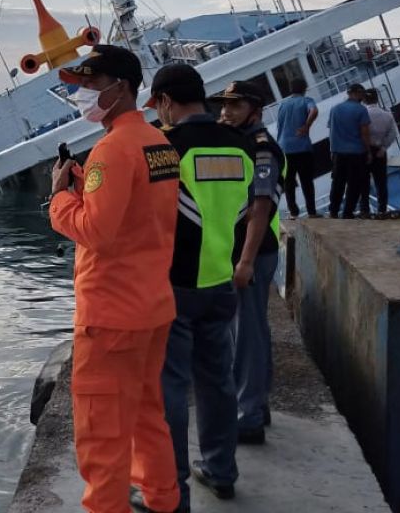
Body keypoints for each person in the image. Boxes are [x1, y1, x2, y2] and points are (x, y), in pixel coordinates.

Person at [49, 45, 182, 513]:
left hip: (111, 315)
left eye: (90, 84)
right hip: (152, 306)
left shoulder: (111, 149)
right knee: (147, 414)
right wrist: (91, 187)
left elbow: (97, 233)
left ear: (121, 87)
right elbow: (140, 213)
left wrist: (60, 200)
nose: (82, 94)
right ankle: (163, 501)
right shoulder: (157, 142)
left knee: (102, 429)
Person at [144, 65, 262, 510]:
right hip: (221, 279)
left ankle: (170, 486)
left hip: (173, 284)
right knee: (217, 380)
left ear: (167, 101)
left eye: (157, 105)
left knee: (170, 387)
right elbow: (252, 204)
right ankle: (220, 470)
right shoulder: (242, 145)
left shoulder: (165, 147)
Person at [213, 80, 285, 446]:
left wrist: (245, 262)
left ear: (255, 110)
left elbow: (260, 208)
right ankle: (257, 405)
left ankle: (249, 416)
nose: (226, 112)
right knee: (250, 331)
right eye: (224, 106)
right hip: (245, 250)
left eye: (235, 106)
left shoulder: (262, 150)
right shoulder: (239, 143)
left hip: (254, 252)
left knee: (247, 336)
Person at [275, 78, 319, 219]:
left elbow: (280, 126)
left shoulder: (282, 105)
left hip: (284, 149)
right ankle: (312, 212)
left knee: (289, 182)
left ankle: (293, 213)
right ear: (304, 89)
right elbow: (314, 110)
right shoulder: (306, 101)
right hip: (302, 148)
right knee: (306, 181)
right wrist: (307, 125)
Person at [327, 83, 371, 218]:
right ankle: (348, 212)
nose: (363, 97)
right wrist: (368, 151)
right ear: (357, 93)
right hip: (356, 153)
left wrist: (331, 151)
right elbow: (364, 133)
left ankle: (333, 211)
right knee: (354, 183)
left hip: (338, 153)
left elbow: (332, 132)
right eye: (362, 94)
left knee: (337, 182)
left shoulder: (334, 109)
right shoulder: (361, 110)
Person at [360, 88, 398, 218]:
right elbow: (392, 134)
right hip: (380, 151)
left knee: (364, 182)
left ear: (364, 100)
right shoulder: (387, 115)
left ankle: (365, 210)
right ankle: (382, 210)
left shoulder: (362, 114)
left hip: (365, 151)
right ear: (377, 98)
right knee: (381, 182)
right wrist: (383, 148)